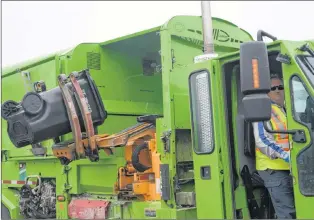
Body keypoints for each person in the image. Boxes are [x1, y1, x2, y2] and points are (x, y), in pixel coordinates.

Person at [252, 74, 296, 219]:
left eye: (281, 87)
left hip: (290, 168)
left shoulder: (287, 110)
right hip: (273, 169)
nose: (278, 91)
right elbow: (262, 140)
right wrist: (285, 155)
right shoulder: (263, 110)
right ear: (267, 91)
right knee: (288, 214)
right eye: (273, 88)